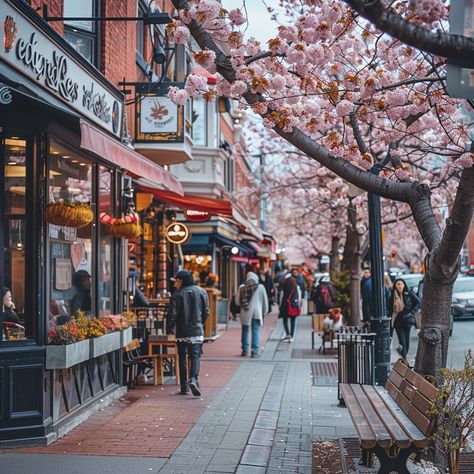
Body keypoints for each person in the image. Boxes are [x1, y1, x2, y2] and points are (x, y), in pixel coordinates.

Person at [166, 270, 209, 396]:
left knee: (182, 358)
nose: (174, 285)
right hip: (196, 330)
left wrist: (169, 329)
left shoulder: (177, 294)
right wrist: (201, 323)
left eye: (176, 281)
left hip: (181, 331)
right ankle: (194, 379)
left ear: (181, 281)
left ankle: (184, 386)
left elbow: (172, 314)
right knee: (195, 356)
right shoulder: (202, 292)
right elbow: (206, 311)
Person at [237, 272, 268, 358]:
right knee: (256, 330)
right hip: (257, 312)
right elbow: (265, 302)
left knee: (245, 330)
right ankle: (255, 351)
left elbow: (237, 302)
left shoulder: (242, 287)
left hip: (245, 312)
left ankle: (245, 350)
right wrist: (265, 312)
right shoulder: (260, 287)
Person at [389, 278, 421, 359]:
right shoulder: (392, 295)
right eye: (398, 284)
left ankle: (403, 355)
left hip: (407, 321)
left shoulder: (408, 293)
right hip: (397, 322)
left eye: (401, 284)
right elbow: (389, 308)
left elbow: (418, 302)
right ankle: (404, 360)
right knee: (402, 342)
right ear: (395, 286)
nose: (400, 286)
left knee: (407, 343)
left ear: (404, 285)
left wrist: (412, 312)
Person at [279, 271, 301, 342]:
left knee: (285, 319)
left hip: (286, 303)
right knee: (293, 319)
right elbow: (298, 294)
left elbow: (282, 293)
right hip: (293, 303)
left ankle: (287, 333)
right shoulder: (295, 283)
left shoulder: (285, 282)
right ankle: (292, 335)